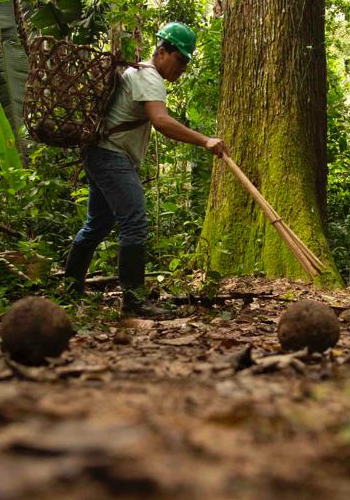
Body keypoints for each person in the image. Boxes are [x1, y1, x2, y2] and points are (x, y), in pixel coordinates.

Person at [64, 22, 228, 317]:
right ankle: (134, 300)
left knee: (98, 225)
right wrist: (205, 140)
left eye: (187, 63)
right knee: (134, 222)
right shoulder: (150, 77)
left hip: (99, 153)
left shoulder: (136, 72)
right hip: (111, 156)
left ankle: (69, 289)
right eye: (180, 60)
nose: (182, 68)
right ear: (162, 51)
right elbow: (162, 122)